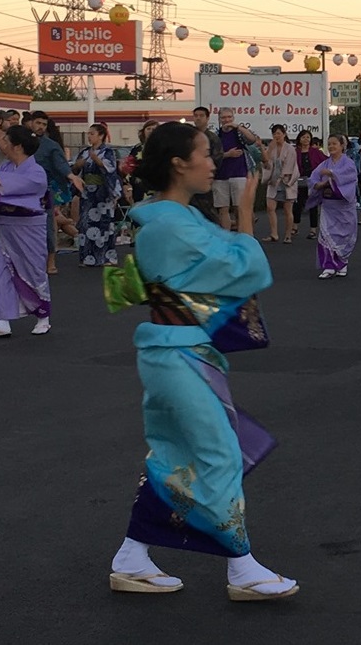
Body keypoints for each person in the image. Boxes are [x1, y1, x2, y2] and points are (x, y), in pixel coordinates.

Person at [110, 122, 297, 600]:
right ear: (179, 162)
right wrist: (246, 213)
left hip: (174, 352)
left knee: (175, 453)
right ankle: (242, 567)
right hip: (178, 355)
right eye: (204, 153)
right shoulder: (172, 222)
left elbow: (210, 264)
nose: (214, 162)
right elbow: (245, 266)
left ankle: (132, 556)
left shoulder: (169, 217)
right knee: (220, 452)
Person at [0, 125, 52, 338]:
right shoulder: (7, 167)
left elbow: (26, 187)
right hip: (7, 228)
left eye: (7, 141)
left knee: (33, 272)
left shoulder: (36, 171)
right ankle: (3, 320)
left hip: (29, 229)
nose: (4, 145)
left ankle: (43, 316)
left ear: (17, 146)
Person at [26, 112, 80, 272]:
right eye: (38, 123)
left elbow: (60, 164)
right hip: (23, 191)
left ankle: (50, 261)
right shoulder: (21, 142)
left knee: (48, 225)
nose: (40, 126)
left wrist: (71, 176)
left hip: (44, 192)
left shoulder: (51, 145)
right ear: (31, 123)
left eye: (44, 124)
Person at [308, 134, 359, 279]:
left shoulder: (348, 163)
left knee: (344, 235)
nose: (331, 147)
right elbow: (314, 177)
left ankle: (342, 263)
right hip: (329, 206)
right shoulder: (325, 163)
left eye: (334, 144)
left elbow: (350, 177)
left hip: (343, 207)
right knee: (326, 234)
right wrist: (319, 184)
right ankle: (328, 266)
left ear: (342, 146)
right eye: (329, 144)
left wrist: (332, 175)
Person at [76, 124, 124, 267]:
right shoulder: (85, 152)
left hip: (102, 192)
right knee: (86, 223)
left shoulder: (108, 151)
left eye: (92, 133)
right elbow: (75, 167)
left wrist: (96, 159)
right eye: (89, 134)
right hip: (88, 191)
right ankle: (87, 257)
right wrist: (79, 164)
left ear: (101, 136)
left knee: (103, 224)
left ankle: (106, 257)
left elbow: (110, 169)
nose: (89, 136)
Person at [207, 109, 261, 232]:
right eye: (224, 118)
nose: (227, 120)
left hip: (239, 173)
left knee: (239, 207)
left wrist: (238, 127)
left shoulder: (239, 133)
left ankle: (242, 233)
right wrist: (228, 154)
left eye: (229, 117)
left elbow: (252, 139)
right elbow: (212, 156)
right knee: (223, 208)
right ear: (219, 119)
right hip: (220, 176)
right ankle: (225, 235)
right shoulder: (215, 135)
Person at [259, 125, 298, 242]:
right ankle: (274, 234)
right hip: (273, 180)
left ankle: (287, 235)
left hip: (286, 181)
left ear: (284, 134)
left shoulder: (290, 149)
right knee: (270, 207)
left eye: (279, 133)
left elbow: (290, 166)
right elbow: (266, 163)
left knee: (287, 209)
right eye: (274, 133)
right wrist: (267, 149)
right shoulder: (272, 148)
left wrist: (282, 177)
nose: (277, 136)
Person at [291, 130, 321, 241]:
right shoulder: (295, 152)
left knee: (313, 206)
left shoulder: (315, 152)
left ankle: (313, 230)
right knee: (297, 204)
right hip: (298, 180)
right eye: (303, 137)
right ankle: (295, 226)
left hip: (312, 180)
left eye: (308, 137)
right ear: (299, 139)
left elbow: (324, 162)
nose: (306, 139)